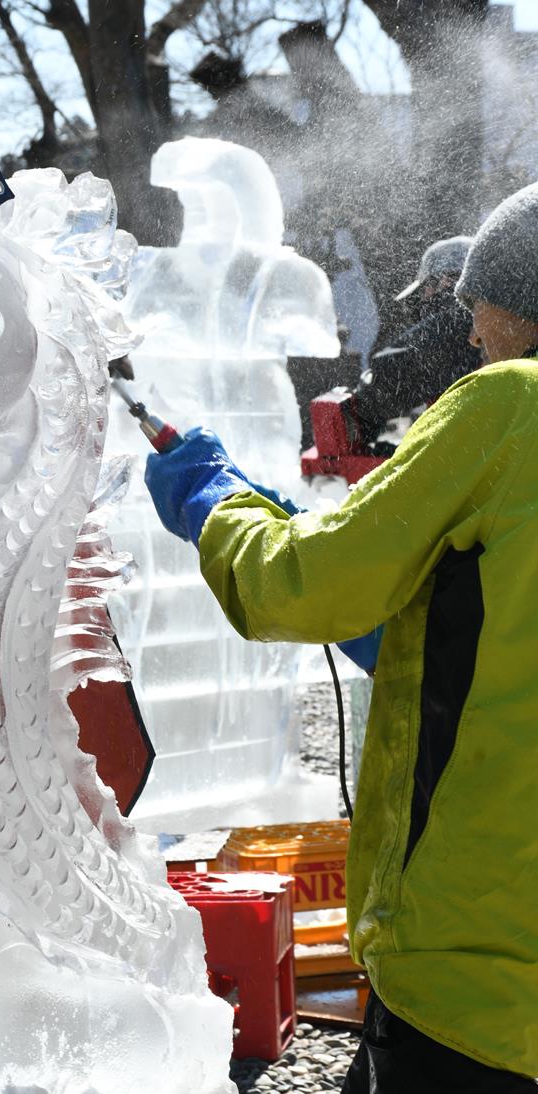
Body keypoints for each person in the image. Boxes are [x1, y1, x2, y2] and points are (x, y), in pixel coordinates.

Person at [143, 182, 538, 1092]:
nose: (472, 336)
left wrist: (216, 504)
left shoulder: (508, 407)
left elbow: (302, 586)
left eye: (480, 310)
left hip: (477, 972)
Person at [351, 235, 480, 453]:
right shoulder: (501, 317)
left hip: (468, 451)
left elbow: (387, 373)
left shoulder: (453, 318)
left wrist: (363, 406)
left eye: (426, 288)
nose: (423, 297)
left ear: (446, 281)